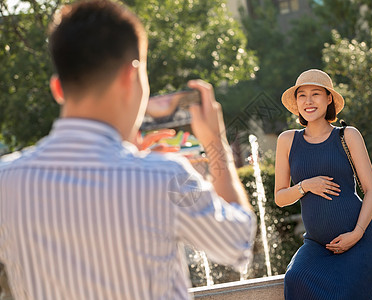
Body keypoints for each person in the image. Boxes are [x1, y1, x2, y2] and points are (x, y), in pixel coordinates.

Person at [0, 1, 256, 299]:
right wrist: (216, 145)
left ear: (58, 89)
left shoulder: (6, 181)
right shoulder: (164, 178)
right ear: (131, 76)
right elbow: (238, 244)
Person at [275, 69, 372, 299]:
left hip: (359, 242)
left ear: (328, 99)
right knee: (295, 279)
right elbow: (280, 197)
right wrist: (306, 185)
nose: (308, 101)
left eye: (316, 94)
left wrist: (356, 233)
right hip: (316, 245)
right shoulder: (287, 140)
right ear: (296, 103)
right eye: (302, 95)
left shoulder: (348, 135)